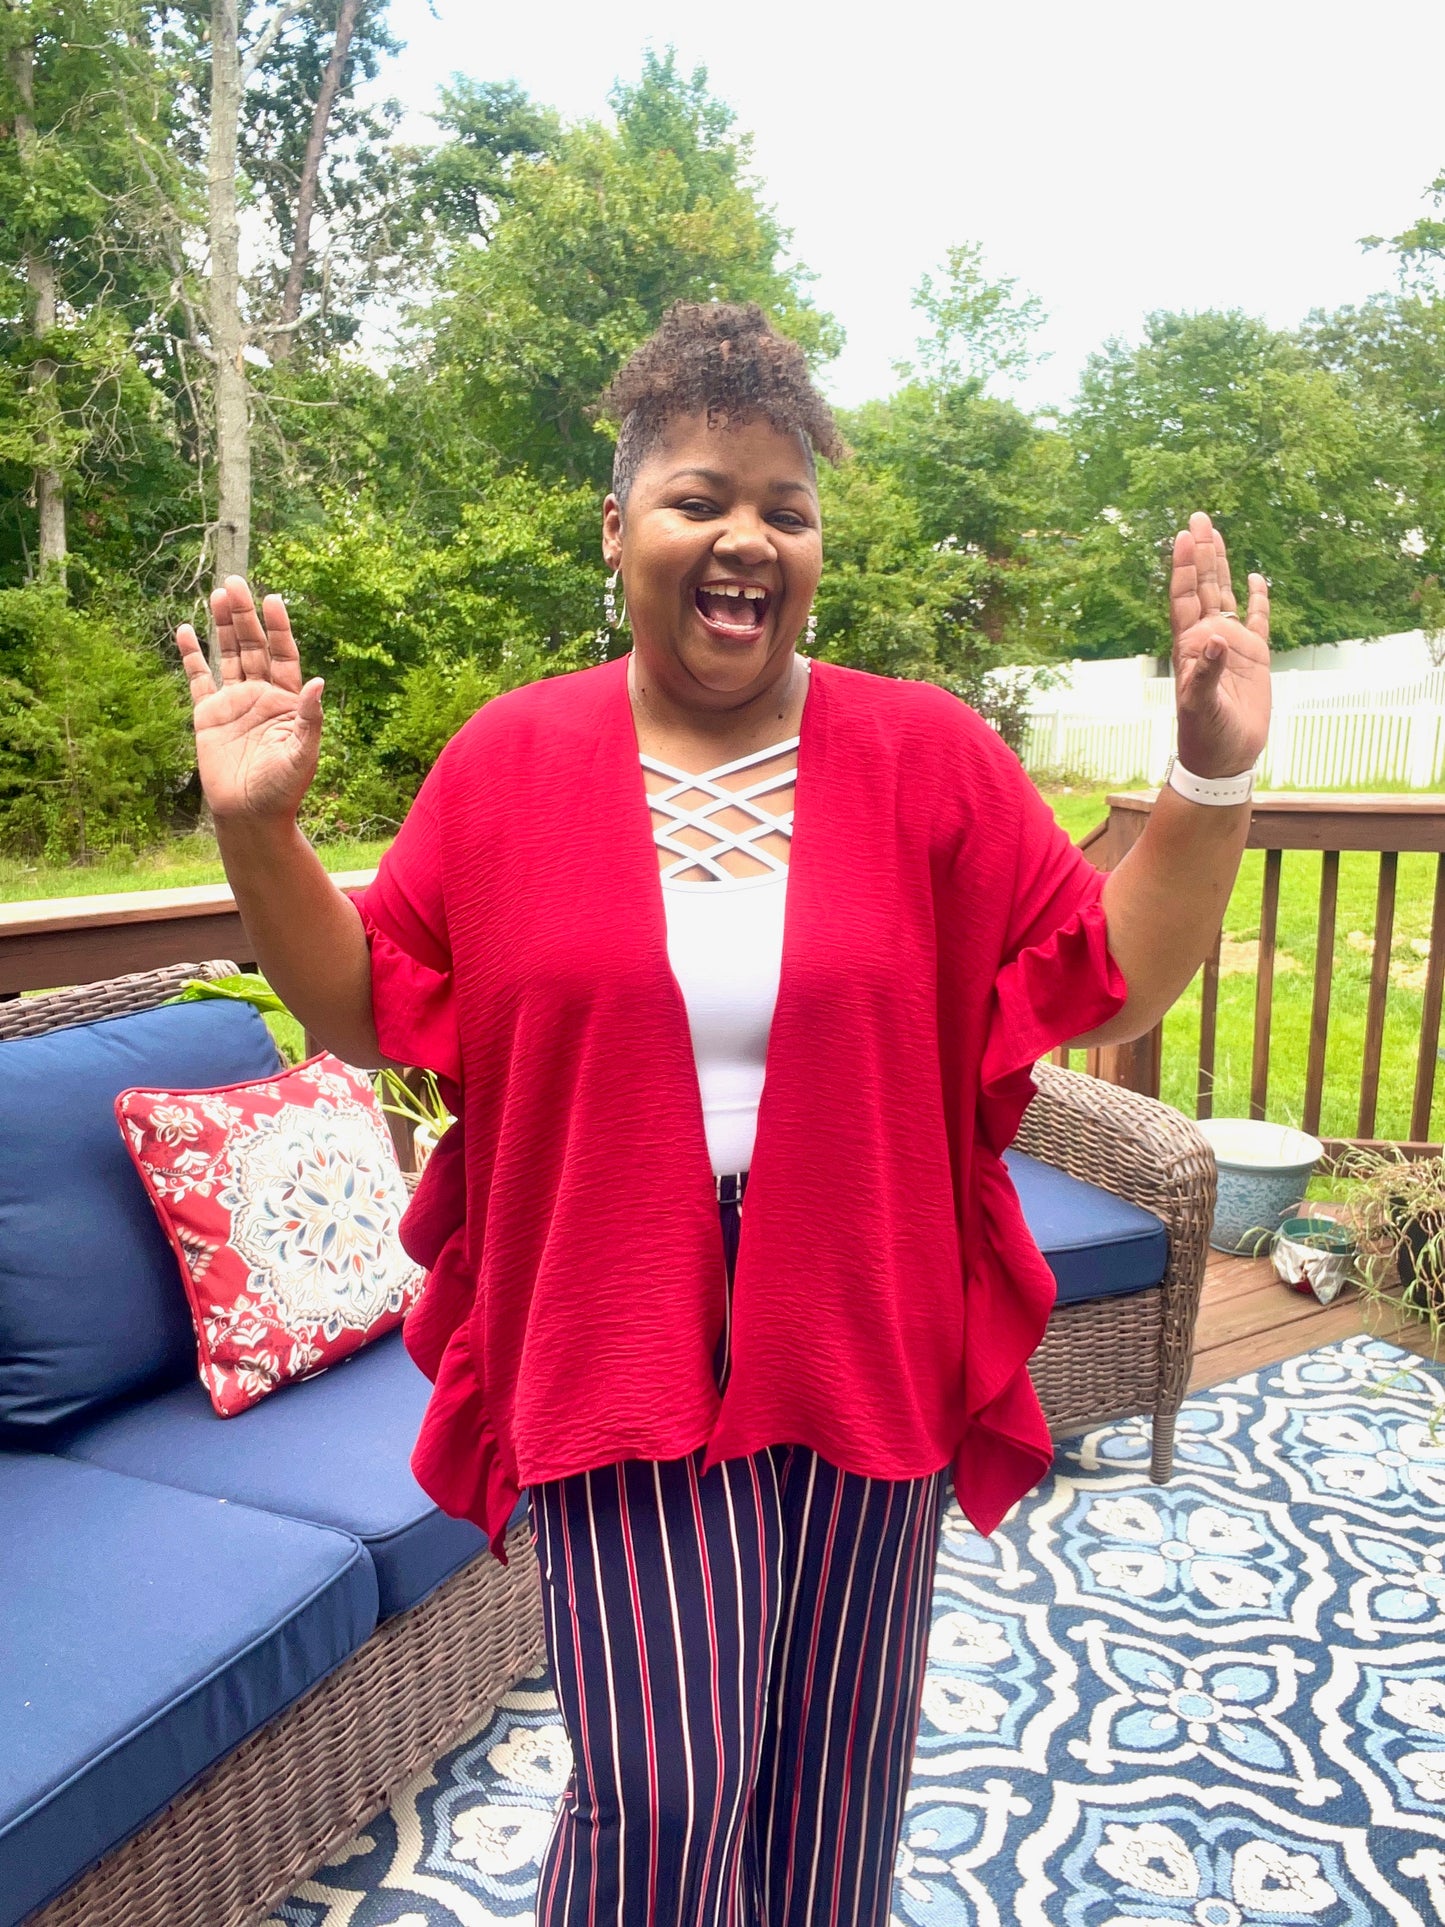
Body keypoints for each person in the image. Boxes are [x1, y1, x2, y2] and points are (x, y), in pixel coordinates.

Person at [175, 301, 1271, 1927]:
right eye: (700, 497)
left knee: (839, 1774)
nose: (745, 535)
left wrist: (1208, 779)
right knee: (662, 1785)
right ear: (617, 527)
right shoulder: (508, 761)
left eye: (785, 507)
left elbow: (1105, 978)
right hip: (608, 1318)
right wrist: (259, 834)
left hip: (866, 1313)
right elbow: (364, 1003)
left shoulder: (924, 755)